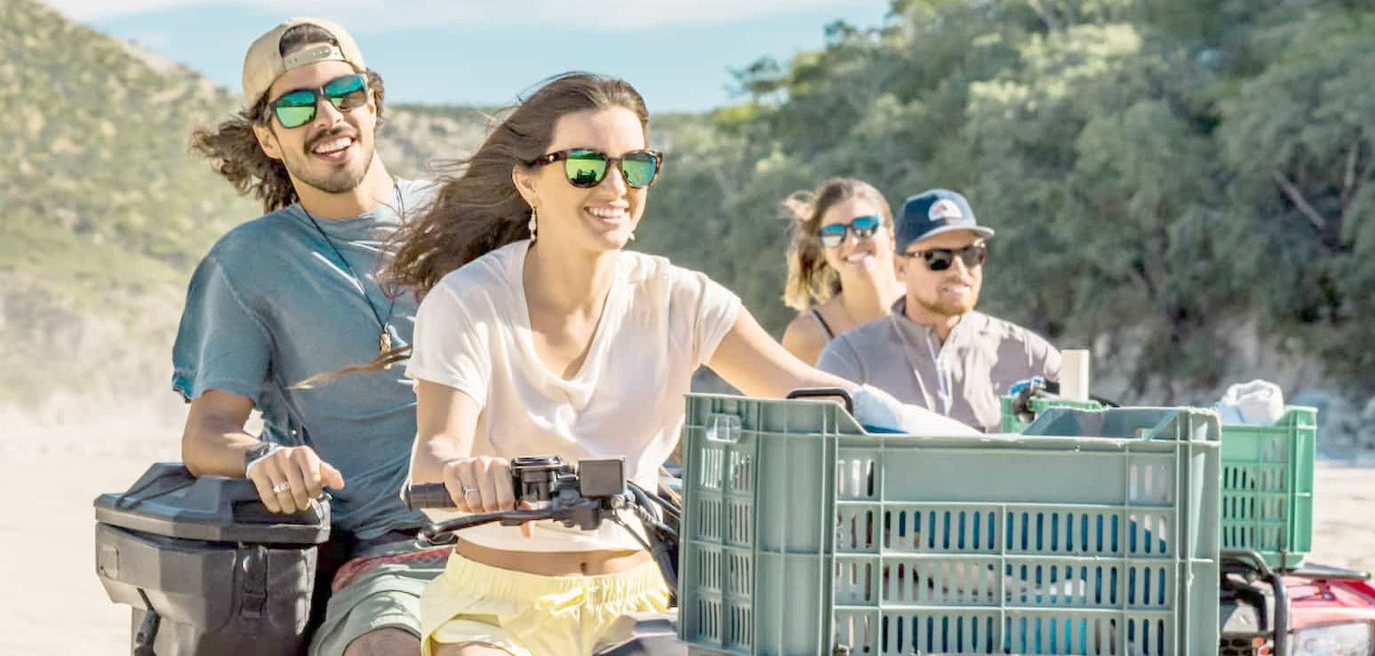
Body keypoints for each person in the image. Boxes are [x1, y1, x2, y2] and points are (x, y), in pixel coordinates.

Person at [388, 72, 961, 656]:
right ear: (528, 181)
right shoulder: (469, 301)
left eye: (635, 166)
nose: (616, 186)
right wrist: (470, 474)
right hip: (498, 609)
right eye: (586, 166)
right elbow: (435, 453)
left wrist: (973, 450)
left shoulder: (679, 297)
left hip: (637, 604)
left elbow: (819, 397)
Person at [176, 17, 443, 655]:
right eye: (297, 106)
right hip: (391, 554)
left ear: (373, 104)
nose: (328, 116)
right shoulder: (249, 264)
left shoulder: (465, 221)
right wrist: (264, 458)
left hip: (526, 529)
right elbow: (207, 433)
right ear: (268, 137)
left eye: (345, 93)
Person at [817, 189, 1062, 432]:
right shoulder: (850, 359)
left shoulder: (1029, 355)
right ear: (900, 266)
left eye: (971, 254)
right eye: (937, 258)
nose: (959, 270)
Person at [778, 178, 902, 365]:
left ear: (891, 235)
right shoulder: (807, 337)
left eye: (864, 226)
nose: (852, 241)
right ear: (824, 251)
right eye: (834, 233)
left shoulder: (929, 303)